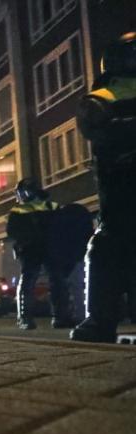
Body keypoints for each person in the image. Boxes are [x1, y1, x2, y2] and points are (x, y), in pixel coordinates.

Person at [71, 31, 136, 343]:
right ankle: (99, 320)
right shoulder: (100, 98)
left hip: (119, 184)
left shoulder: (100, 97)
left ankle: (100, 321)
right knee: (107, 248)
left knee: (109, 248)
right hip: (121, 184)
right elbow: (100, 131)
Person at [6, 178, 73, 330]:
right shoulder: (51, 206)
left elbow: (12, 231)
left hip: (38, 248)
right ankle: (57, 317)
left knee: (35, 282)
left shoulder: (21, 210)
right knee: (54, 281)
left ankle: (28, 318)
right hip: (38, 248)